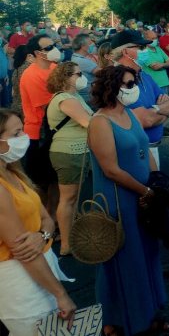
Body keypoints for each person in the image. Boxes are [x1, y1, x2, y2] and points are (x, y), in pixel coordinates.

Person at [87, 65, 167, 335]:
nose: (133, 89)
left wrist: (157, 182)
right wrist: (145, 191)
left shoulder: (130, 115)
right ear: (111, 87)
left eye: (133, 83)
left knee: (145, 256)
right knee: (124, 261)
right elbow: (110, 169)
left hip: (143, 197)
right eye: (128, 84)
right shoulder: (100, 122)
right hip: (119, 201)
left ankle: (146, 314)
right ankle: (117, 321)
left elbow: (145, 149)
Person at [0, 108, 77, 333]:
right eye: (16, 134)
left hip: (40, 270)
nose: (23, 138)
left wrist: (42, 235)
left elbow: (46, 218)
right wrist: (61, 295)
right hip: (19, 281)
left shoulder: (14, 174)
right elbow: (23, 250)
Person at [110, 30, 169, 169]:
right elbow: (145, 121)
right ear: (125, 52)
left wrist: (155, 111)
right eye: (140, 47)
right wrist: (163, 111)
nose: (145, 50)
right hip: (135, 151)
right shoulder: (117, 80)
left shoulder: (143, 75)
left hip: (151, 148)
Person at [45, 62, 93, 258]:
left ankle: (67, 237)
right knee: (68, 199)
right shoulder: (65, 98)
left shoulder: (75, 96)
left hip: (78, 151)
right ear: (66, 78)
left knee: (71, 199)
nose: (82, 77)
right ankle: (66, 244)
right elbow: (88, 122)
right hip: (69, 152)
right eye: (78, 74)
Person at [20, 34, 60, 200]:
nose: (54, 49)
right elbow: (50, 106)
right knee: (40, 183)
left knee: (54, 180)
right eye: (48, 47)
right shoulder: (31, 75)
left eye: (53, 45)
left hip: (53, 129)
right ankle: (42, 220)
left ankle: (54, 217)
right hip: (39, 134)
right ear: (37, 53)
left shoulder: (53, 68)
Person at [136, 30, 169, 95]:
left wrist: (162, 65)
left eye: (156, 38)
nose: (155, 40)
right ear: (145, 39)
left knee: (166, 103)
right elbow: (155, 67)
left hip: (164, 82)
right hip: (152, 84)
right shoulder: (144, 51)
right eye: (152, 38)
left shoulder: (158, 48)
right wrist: (165, 64)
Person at [71, 33, 99, 103]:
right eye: (90, 43)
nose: (93, 44)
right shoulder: (82, 61)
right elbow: (105, 73)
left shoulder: (75, 57)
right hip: (90, 98)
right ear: (83, 46)